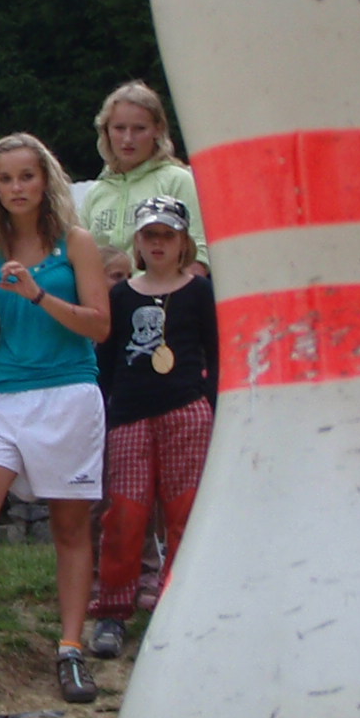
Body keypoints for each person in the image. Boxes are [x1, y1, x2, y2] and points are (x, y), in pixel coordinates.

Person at [0, 134, 111, 704]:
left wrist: (37, 295)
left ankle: (70, 647)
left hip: (69, 390)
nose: (16, 188)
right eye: (5, 179)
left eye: (26, 176)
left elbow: (100, 325)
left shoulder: (76, 243)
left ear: (46, 181)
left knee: (70, 525)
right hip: (5, 391)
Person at [91, 197, 217, 659]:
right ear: (138, 242)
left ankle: (178, 605)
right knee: (125, 514)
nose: (158, 243)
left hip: (186, 411)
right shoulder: (121, 296)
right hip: (129, 415)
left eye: (168, 235)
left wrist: (211, 403)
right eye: (150, 235)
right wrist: (107, 409)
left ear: (184, 242)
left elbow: (216, 352)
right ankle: (113, 608)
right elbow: (106, 360)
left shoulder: (200, 292)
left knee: (185, 512)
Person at [82, 80, 209, 281]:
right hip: (104, 298)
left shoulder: (177, 180)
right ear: (106, 131)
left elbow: (199, 254)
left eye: (139, 129)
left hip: (161, 295)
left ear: (157, 130)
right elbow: (80, 259)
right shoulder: (96, 192)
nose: (128, 139)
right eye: (119, 128)